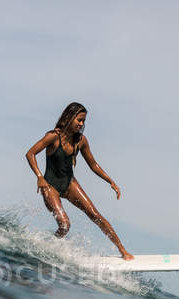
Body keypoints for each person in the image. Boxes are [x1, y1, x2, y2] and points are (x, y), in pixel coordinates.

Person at [25, 102, 134, 261]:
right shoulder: (53, 136)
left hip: (69, 183)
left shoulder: (81, 141)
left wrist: (110, 181)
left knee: (96, 216)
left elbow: (93, 164)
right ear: (69, 117)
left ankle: (123, 251)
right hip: (50, 185)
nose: (82, 124)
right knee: (65, 224)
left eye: (84, 121)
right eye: (79, 120)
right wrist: (39, 177)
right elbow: (30, 154)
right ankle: (48, 249)